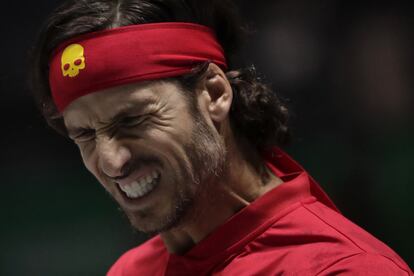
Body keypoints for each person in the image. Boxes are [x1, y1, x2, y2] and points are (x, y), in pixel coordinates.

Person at [29, 0, 413, 275]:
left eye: (133, 119)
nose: (111, 160)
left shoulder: (344, 269)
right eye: (84, 134)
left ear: (214, 93)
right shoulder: (130, 270)